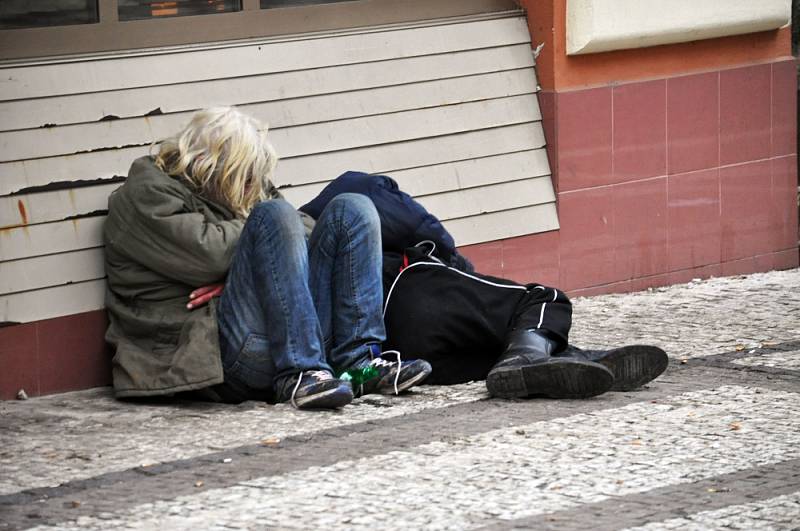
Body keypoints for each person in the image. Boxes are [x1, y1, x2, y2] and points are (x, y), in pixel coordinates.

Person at [103, 107, 432, 410]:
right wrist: (253, 248)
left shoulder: (240, 184)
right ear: (207, 167)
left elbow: (301, 225)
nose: (252, 187)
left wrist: (247, 263)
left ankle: (358, 364)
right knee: (271, 215)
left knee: (354, 207)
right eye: (243, 178)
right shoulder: (145, 196)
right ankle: (300, 375)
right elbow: (209, 255)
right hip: (216, 355)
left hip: (281, 335)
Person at [301, 172, 669, 399]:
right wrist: (455, 262)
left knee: (493, 349)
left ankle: (564, 359)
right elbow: (423, 228)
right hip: (412, 292)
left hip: (404, 355)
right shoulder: (358, 193)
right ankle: (540, 355)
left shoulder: (293, 240)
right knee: (543, 300)